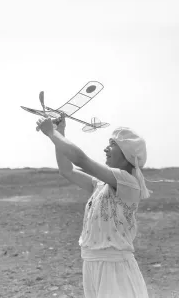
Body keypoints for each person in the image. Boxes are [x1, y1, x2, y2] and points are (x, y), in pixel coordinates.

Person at [36, 114, 150, 298]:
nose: (106, 148)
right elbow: (67, 170)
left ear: (126, 153)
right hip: (91, 263)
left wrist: (51, 133)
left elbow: (81, 160)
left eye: (112, 144)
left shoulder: (128, 182)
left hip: (114, 268)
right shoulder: (100, 184)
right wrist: (59, 132)